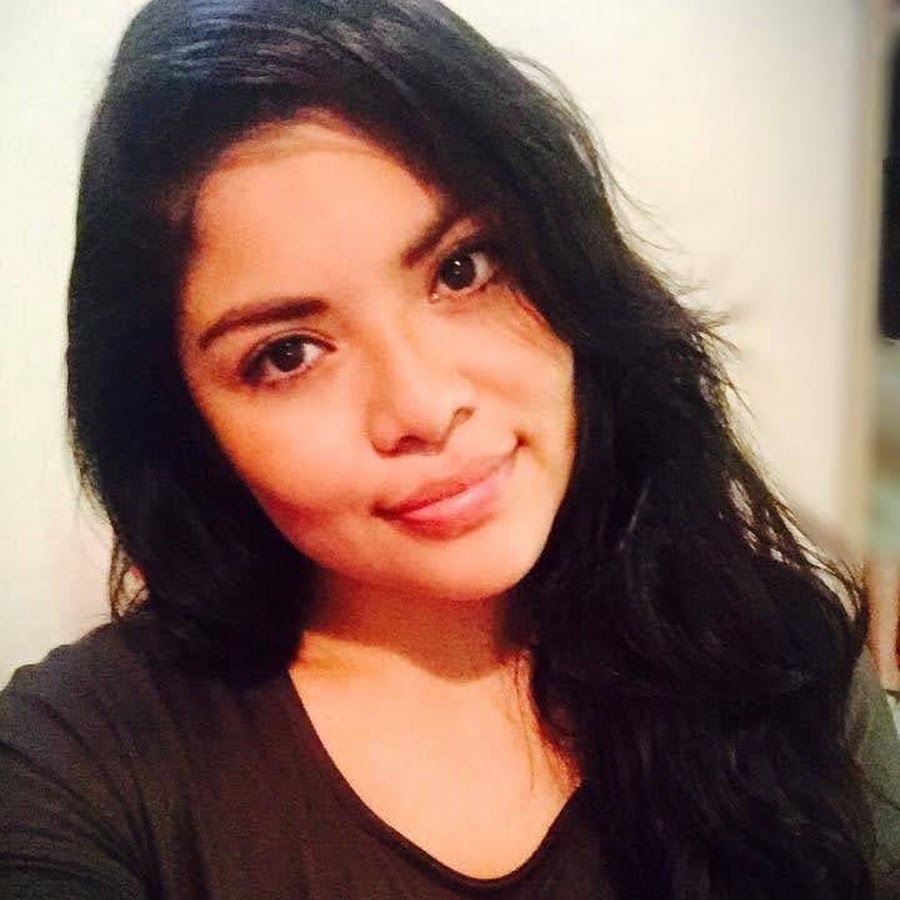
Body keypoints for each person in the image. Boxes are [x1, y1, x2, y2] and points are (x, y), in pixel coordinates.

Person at [2, 1, 900, 897]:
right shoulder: (83, 763)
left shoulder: (779, 658)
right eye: (288, 354)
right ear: (183, 419)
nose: (424, 407)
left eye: (462, 270)